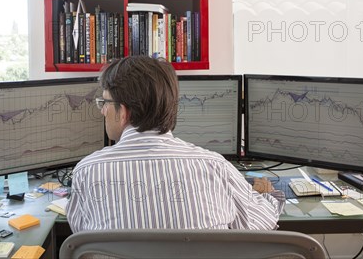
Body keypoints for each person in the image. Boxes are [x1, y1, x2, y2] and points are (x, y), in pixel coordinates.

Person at [67, 56, 285, 232]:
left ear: (123, 112)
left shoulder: (87, 170)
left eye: (104, 103)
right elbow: (260, 224)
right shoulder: (214, 166)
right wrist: (270, 195)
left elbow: (81, 234)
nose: (103, 110)